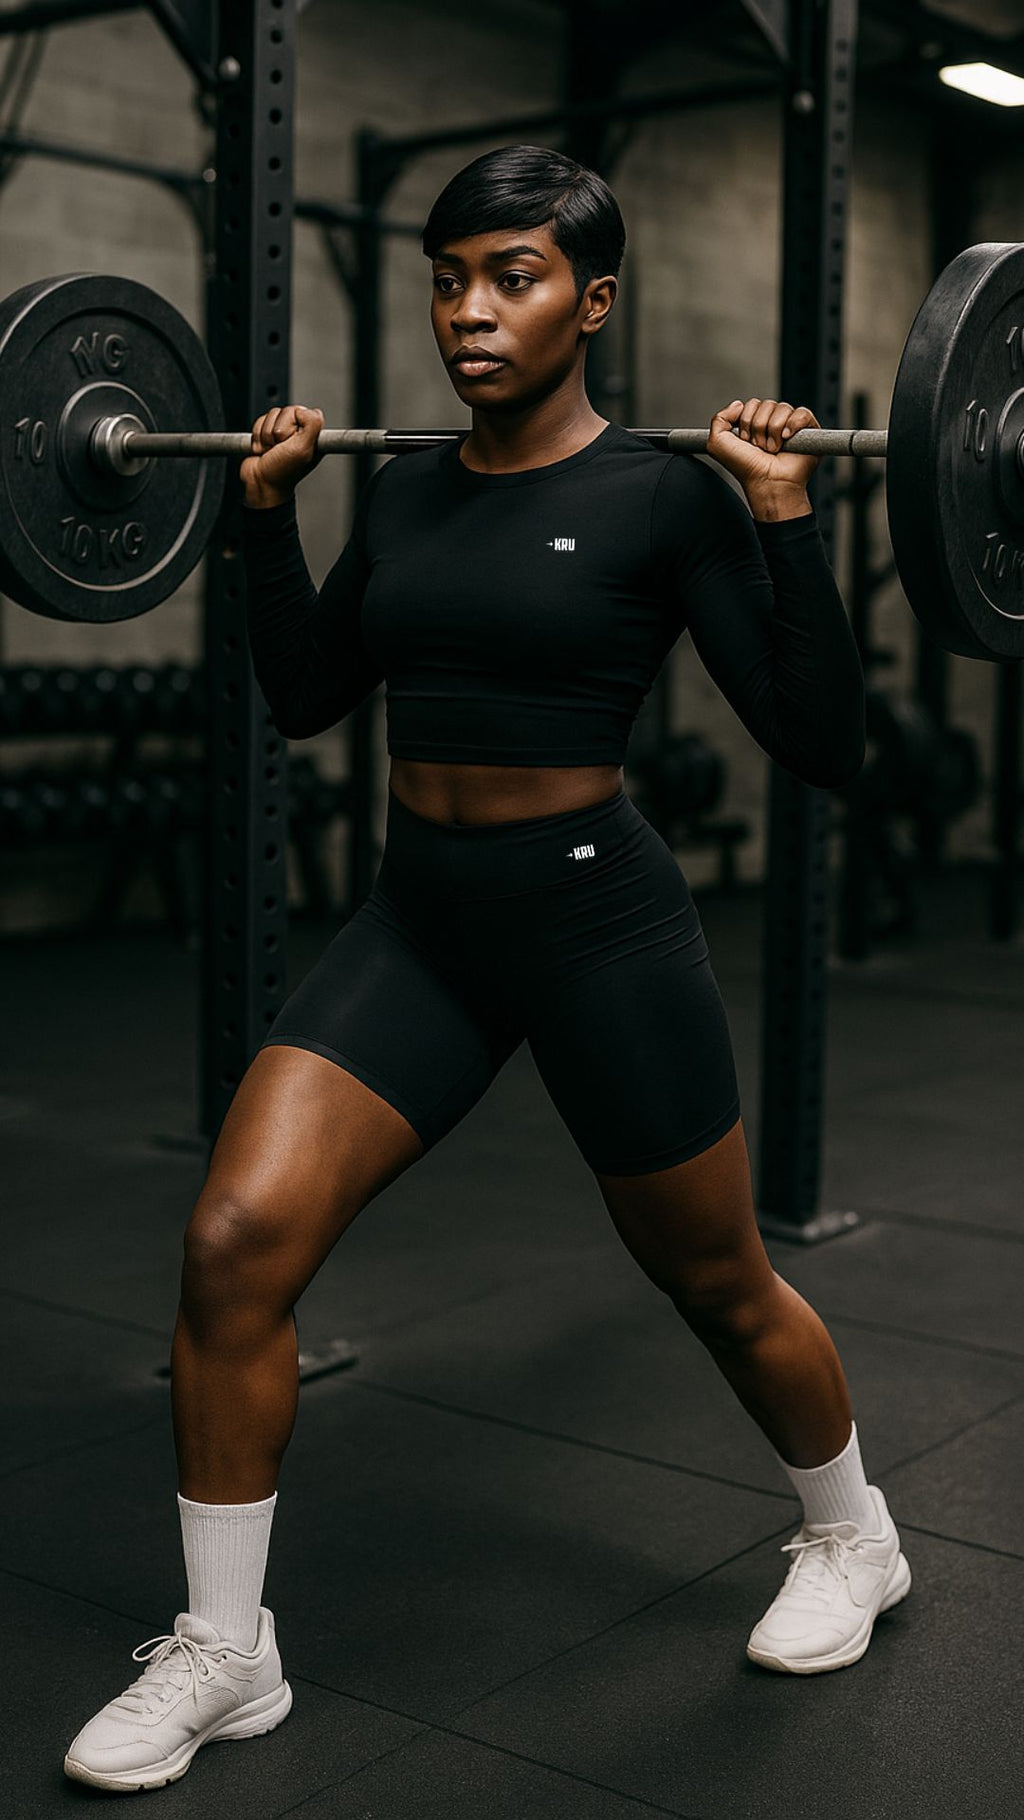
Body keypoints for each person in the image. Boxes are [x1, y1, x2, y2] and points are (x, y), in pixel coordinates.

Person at [64, 144, 910, 1794]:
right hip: (424, 923)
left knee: (718, 1280)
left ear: (592, 303)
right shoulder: (405, 488)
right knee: (234, 1244)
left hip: (598, 926)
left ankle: (852, 1534)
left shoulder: (664, 493)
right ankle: (229, 1652)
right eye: (449, 279)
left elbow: (825, 745)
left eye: (512, 277)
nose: (469, 310)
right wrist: (262, 519)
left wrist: (785, 521)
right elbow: (309, 696)